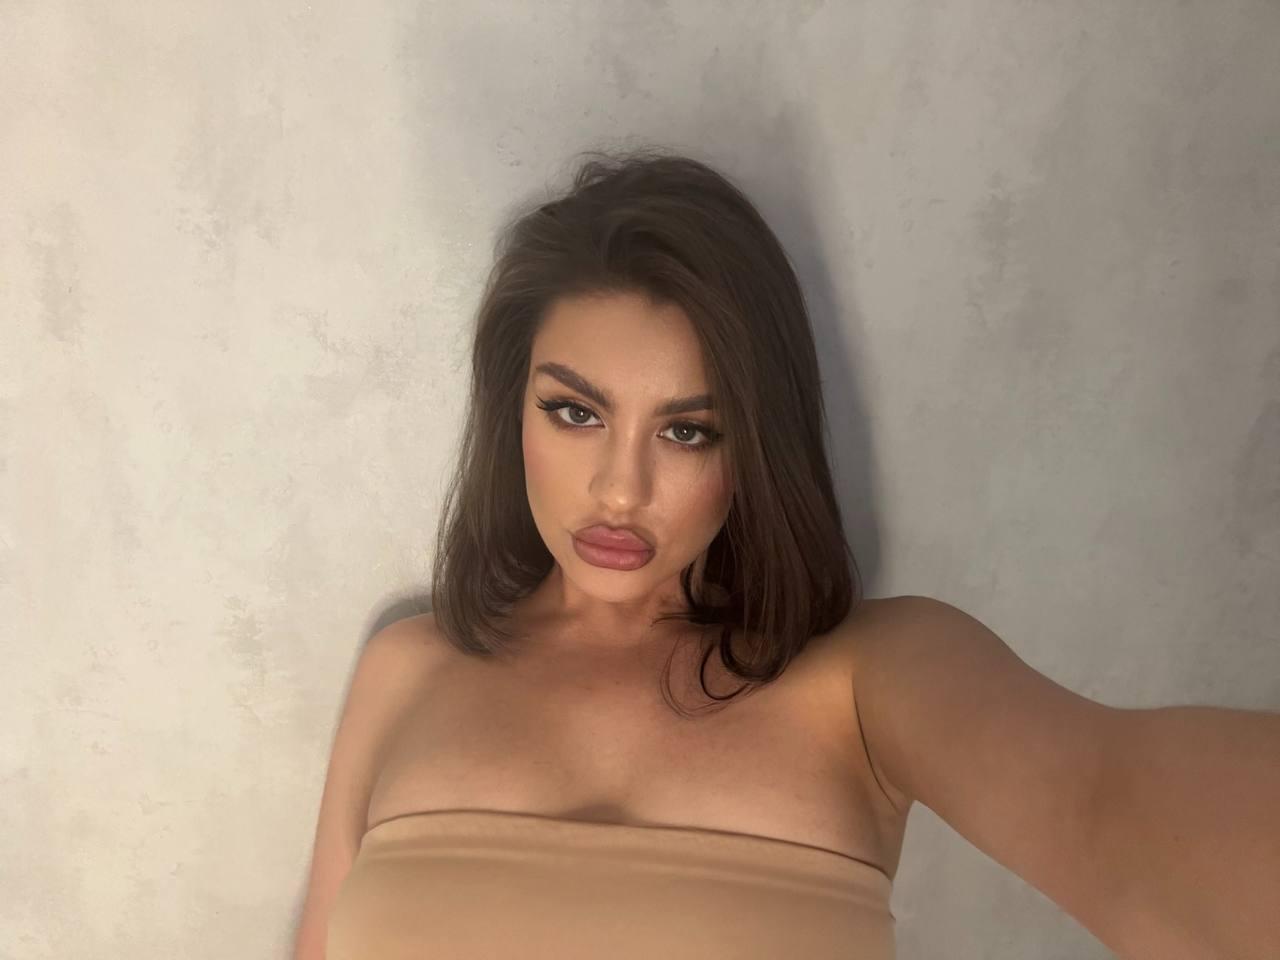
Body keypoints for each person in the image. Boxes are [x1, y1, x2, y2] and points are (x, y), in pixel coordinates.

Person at [291, 146, 1280, 959]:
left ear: (755, 447)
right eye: (574, 412)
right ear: (513, 410)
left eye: (688, 430)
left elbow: (1104, 801)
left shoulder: (866, 680)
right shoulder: (406, 668)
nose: (620, 488)